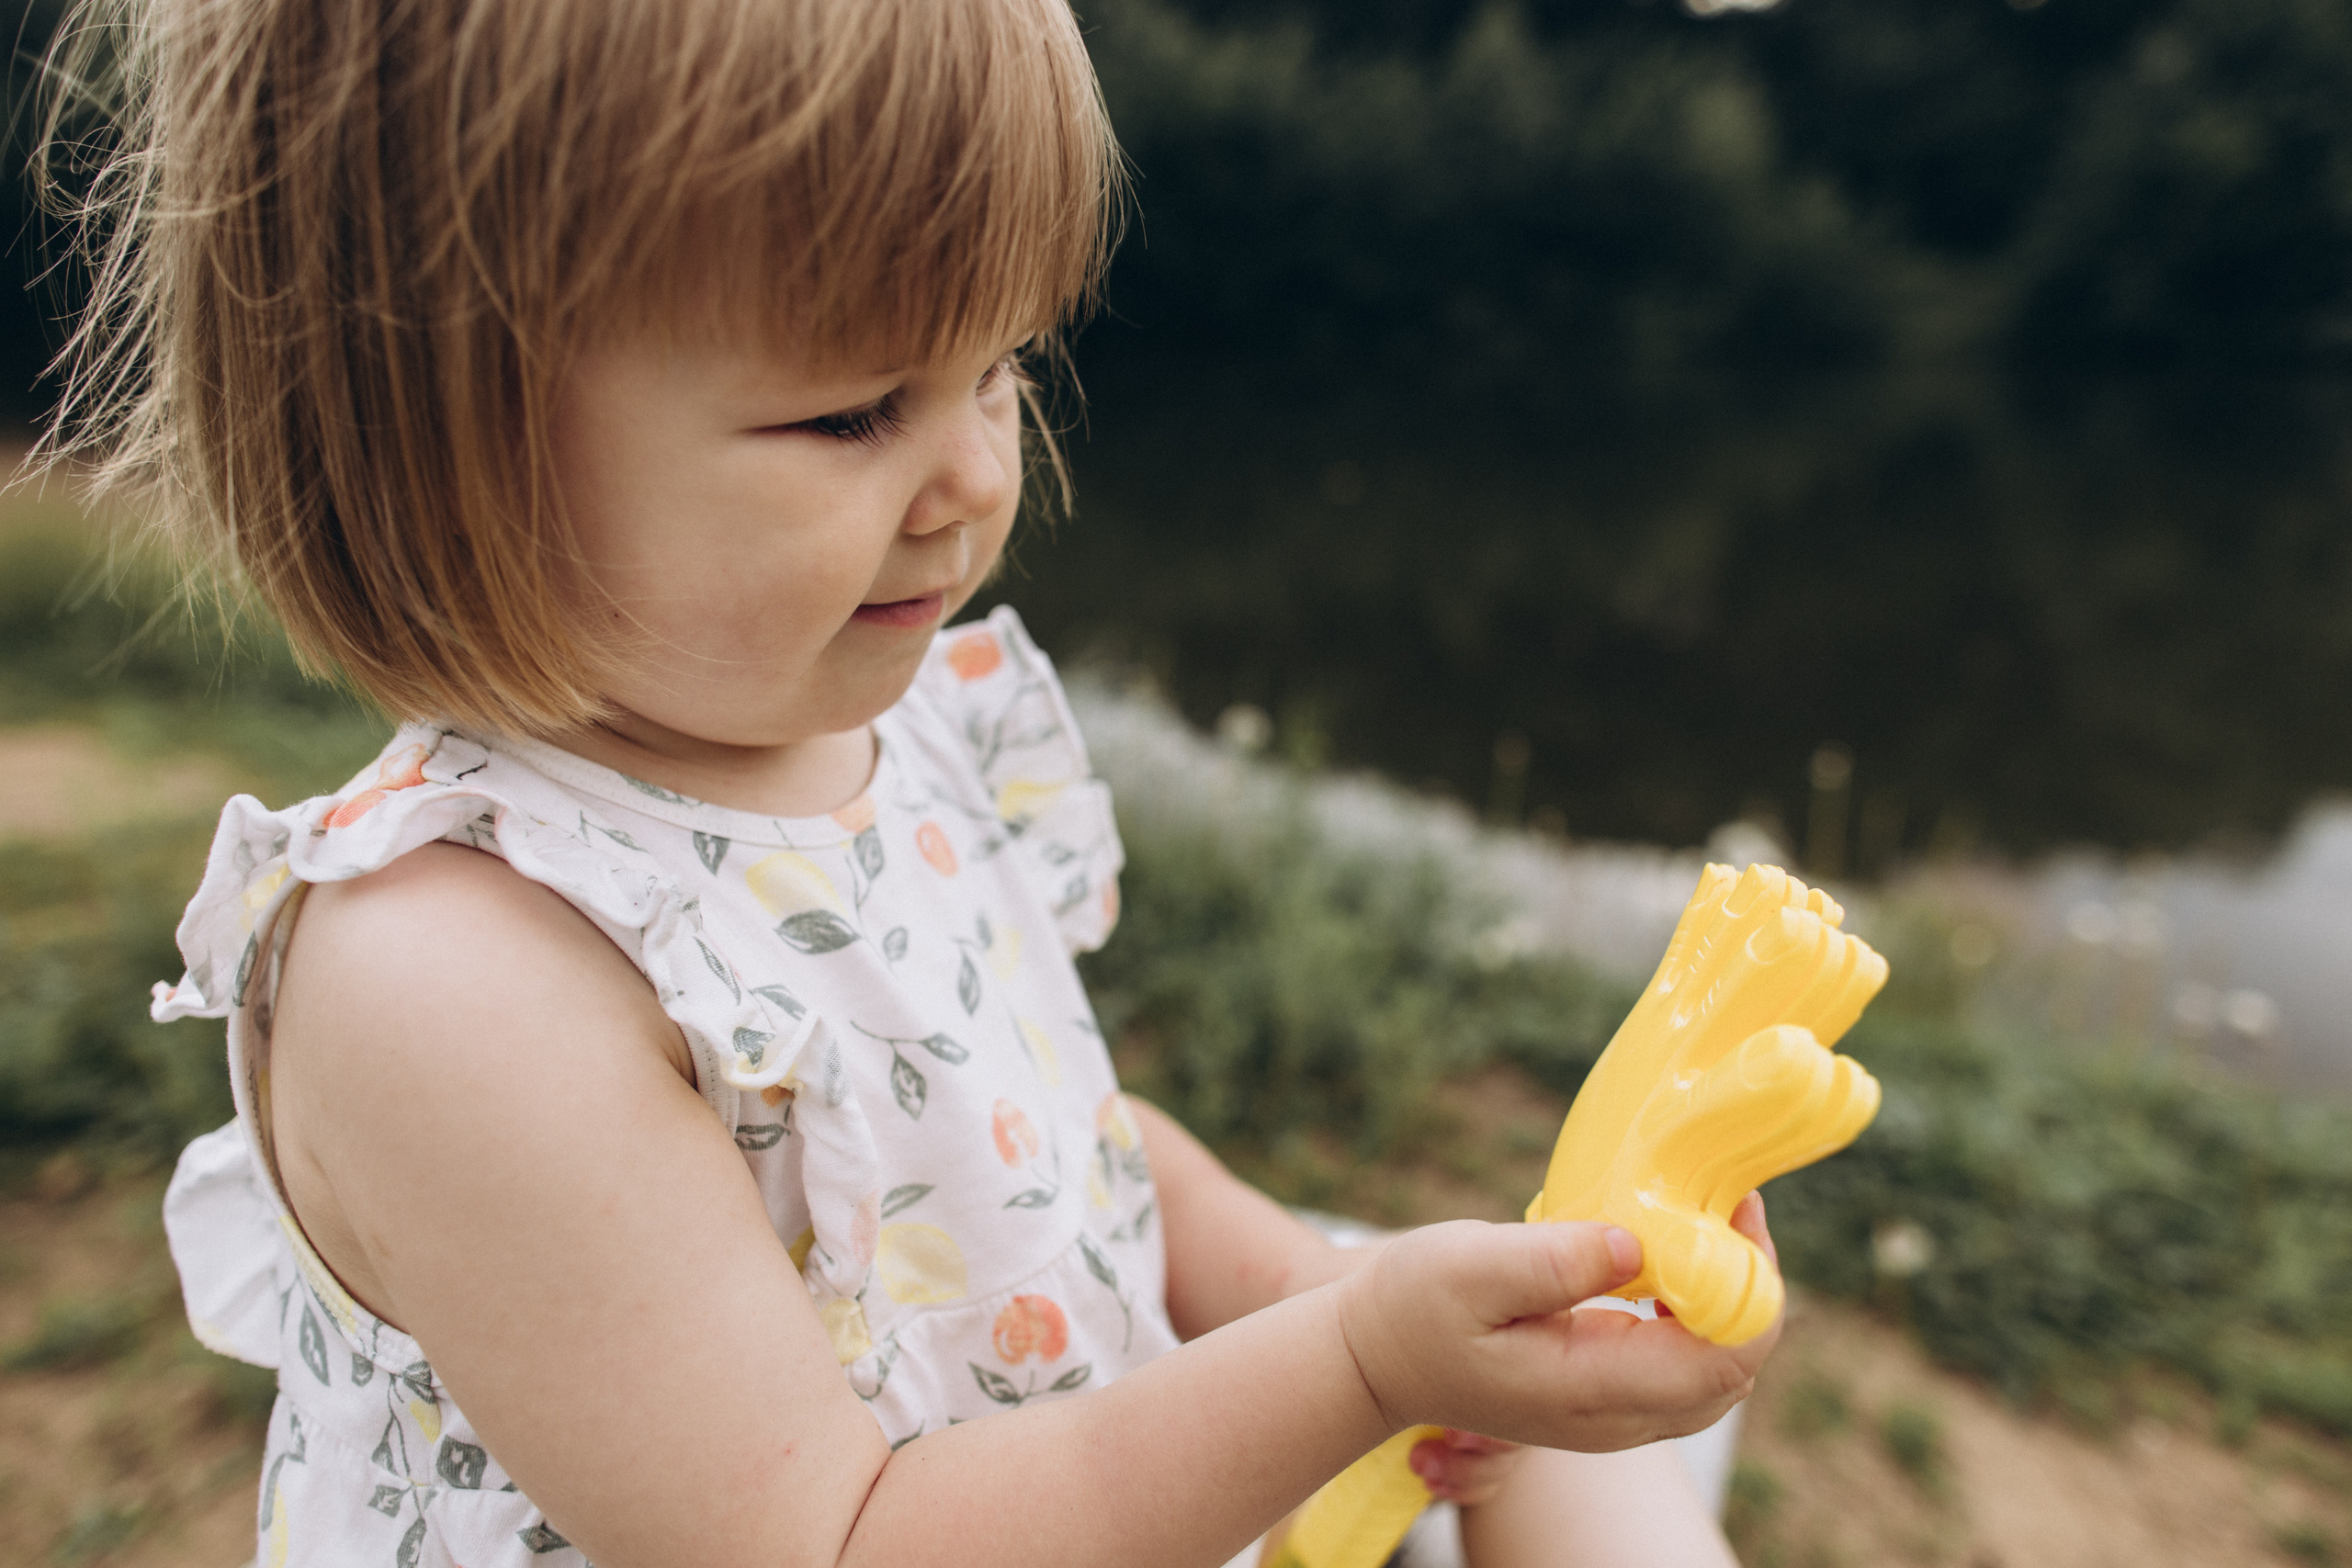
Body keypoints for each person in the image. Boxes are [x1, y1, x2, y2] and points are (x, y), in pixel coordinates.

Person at [38, 2, 1778, 1563]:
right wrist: (1347, 1360)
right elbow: (839, 1540)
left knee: (1580, 1458)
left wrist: (1307, 1290)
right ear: (436, 430)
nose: (973, 477)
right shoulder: (460, 980)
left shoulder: (908, 716)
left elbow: (1053, 1144)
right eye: (856, 410)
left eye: (1002, 366)